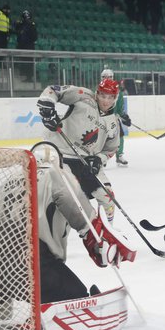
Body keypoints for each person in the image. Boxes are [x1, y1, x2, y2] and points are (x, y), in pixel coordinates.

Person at [31, 142, 136, 304]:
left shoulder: (13, 181)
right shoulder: (58, 174)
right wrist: (93, 233)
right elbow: (66, 194)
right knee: (75, 296)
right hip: (35, 260)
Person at [36, 79, 121, 223]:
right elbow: (53, 90)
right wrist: (47, 109)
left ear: (115, 98)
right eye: (103, 95)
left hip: (86, 162)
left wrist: (99, 159)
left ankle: (109, 231)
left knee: (108, 198)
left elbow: (111, 149)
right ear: (97, 93)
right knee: (59, 196)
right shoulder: (83, 95)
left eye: (110, 97)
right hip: (59, 153)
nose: (106, 101)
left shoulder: (113, 123)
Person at [101, 68, 132, 166]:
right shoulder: (98, 90)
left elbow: (119, 107)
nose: (107, 79)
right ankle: (101, 157)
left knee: (120, 136)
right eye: (105, 77)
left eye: (109, 77)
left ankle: (119, 156)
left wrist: (124, 116)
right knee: (101, 138)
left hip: (113, 119)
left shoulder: (117, 92)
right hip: (101, 118)